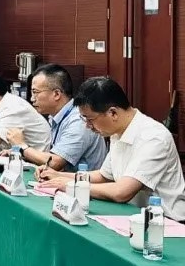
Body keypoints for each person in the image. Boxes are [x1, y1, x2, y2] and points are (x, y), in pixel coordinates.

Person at [38, 77, 185, 221]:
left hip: (165, 222)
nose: (87, 126)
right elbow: (104, 176)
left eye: (90, 119)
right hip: (133, 215)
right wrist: (56, 175)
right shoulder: (117, 131)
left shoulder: (154, 137)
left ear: (113, 113)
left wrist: (71, 185)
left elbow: (122, 192)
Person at [5, 64, 106, 171]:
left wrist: (22, 146)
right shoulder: (56, 116)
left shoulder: (78, 120)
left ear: (56, 94)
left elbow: (55, 163)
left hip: (82, 180)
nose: (32, 98)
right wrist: (20, 153)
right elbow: (52, 157)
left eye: (35, 92)